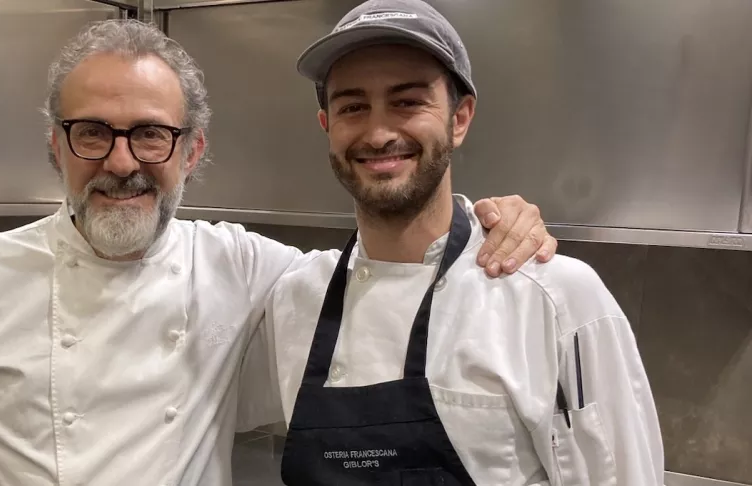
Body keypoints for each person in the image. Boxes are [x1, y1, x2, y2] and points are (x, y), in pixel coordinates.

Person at [0, 19, 558, 486]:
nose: (123, 163)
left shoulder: (242, 268)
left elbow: (387, 275)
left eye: (153, 135)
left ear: (193, 151)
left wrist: (489, 219)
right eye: (92, 132)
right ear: (55, 145)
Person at [264, 1, 664, 485]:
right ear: (327, 126)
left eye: (407, 101)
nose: (379, 131)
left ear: (459, 118)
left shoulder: (555, 299)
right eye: (352, 106)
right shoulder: (293, 298)